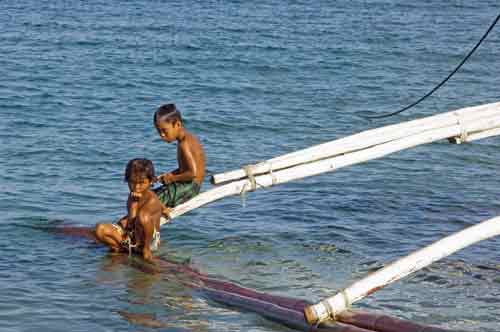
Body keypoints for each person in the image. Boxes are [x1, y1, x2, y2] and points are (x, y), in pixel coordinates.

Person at [95, 159, 163, 261]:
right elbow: (130, 224)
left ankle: (145, 249)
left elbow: (138, 221)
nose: (136, 187)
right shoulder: (133, 195)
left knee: (143, 216)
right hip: (131, 233)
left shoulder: (152, 200)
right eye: (132, 182)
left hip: (147, 240)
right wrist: (124, 230)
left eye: (141, 183)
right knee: (100, 229)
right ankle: (123, 247)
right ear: (127, 180)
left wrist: (134, 205)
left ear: (151, 181)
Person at [153, 104, 206, 217]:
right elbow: (185, 169)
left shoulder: (184, 144)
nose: (161, 135)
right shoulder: (187, 139)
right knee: (150, 195)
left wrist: (172, 178)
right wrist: (169, 175)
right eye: (158, 131)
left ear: (177, 124)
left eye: (164, 130)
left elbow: (192, 173)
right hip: (188, 184)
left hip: (191, 187)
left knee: (150, 201)